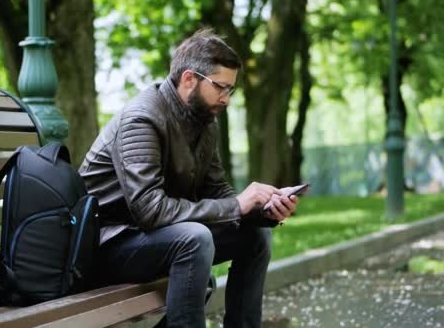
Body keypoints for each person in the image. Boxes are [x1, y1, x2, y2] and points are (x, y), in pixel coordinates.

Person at [79, 28, 298, 328]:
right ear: (189, 79)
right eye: (221, 87)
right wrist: (236, 205)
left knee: (256, 236)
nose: (227, 98)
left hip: (153, 238)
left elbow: (216, 190)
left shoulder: (204, 121)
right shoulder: (141, 119)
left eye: (230, 90)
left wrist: (263, 210)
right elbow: (150, 210)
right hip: (108, 246)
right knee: (194, 238)